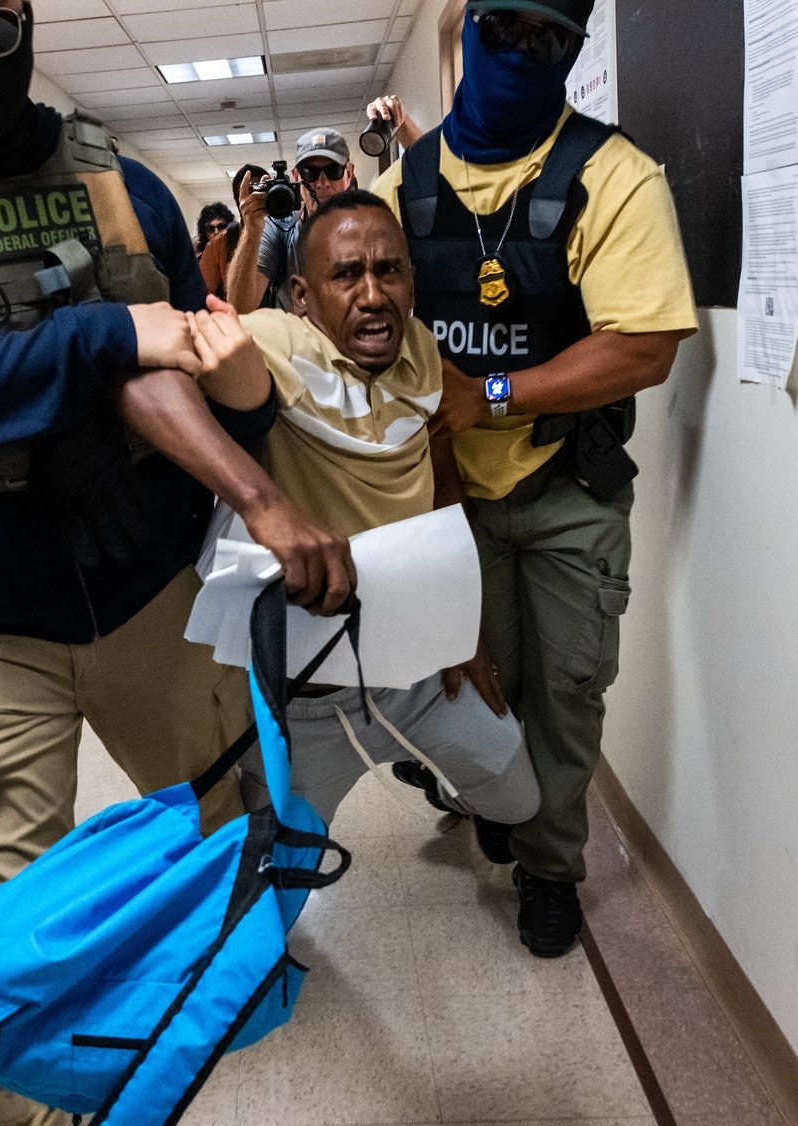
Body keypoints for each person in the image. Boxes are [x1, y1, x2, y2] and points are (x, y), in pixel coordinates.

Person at [0, 3, 353, 1122]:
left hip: (153, 593)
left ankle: (203, 1005)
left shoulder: (126, 185)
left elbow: (206, 388)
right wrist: (108, 334)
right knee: (8, 953)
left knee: (231, 842)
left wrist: (241, 412)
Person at [371, 0, 697, 957]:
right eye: (504, 30)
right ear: (470, 28)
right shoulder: (403, 189)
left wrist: (495, 394)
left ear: (573, 50)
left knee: (566, 691)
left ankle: (551, 866)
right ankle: (497, 804)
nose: (521, 54)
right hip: (449, 497)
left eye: (547, 42)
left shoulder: (613, 174)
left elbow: (644, 347)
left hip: (566, 485)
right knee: (476, 681)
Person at [197, 190, 539, 841]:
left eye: (390, 270)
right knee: (275, 890)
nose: (373, 293)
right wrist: (259, 501)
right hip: (304, 700)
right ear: (301, 295)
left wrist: (461, 627)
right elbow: (163, 372)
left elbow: (443, 480)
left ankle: (436, 775)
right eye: (347, 274)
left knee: (516, 800)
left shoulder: (424, 351)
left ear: (412, 280)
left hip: (416, 667)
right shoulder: (274, 343)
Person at [226, 128, 355, 314]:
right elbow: (239, 307)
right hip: (295, 340)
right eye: (310, 173)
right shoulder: (280, 228)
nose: (322, 183)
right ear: (296, 176)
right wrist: (252, 233)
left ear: (349, 173)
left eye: (333, 171)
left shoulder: (366, 228)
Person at [198, 163, 267, 300]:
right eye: (250, 190)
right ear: (238, 198)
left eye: (263, 188)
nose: (257, 196)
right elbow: (201, 297)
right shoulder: (219, 245)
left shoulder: (287, 232)